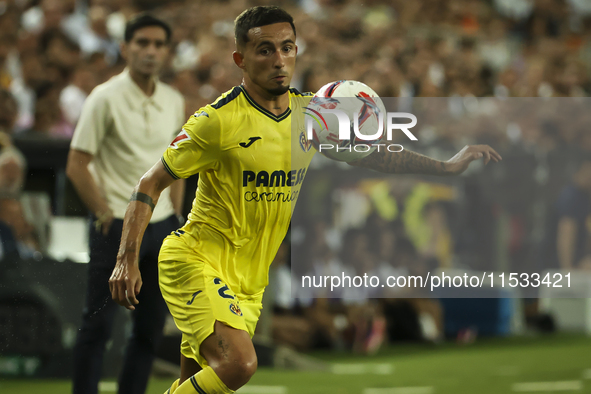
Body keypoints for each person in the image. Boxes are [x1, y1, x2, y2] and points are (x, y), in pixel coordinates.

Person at [108, 6, 501, 394]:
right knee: (239, 365)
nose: (279, 60)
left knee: (199, 383)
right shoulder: (217, 121)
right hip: (196, 258)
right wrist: (126, 259)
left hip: (250, 278)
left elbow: (376, 155)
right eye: (265, 50)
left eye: (287, 47)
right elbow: (149, 183)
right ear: (240, 59)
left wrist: (445, 167)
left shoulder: (312, 116)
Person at [66, 13, 185, 394]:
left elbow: (178, 164)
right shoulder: (103, 97)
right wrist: (102, 211)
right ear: (125, 48)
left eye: (158, 44)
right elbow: (77, 163)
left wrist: (178, 215)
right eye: (142, 43)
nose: (151, 51)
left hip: (163, 224)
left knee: (149, 329)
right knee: (97, 326)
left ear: (167, 52)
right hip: (115, 222)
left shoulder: (174, 99)